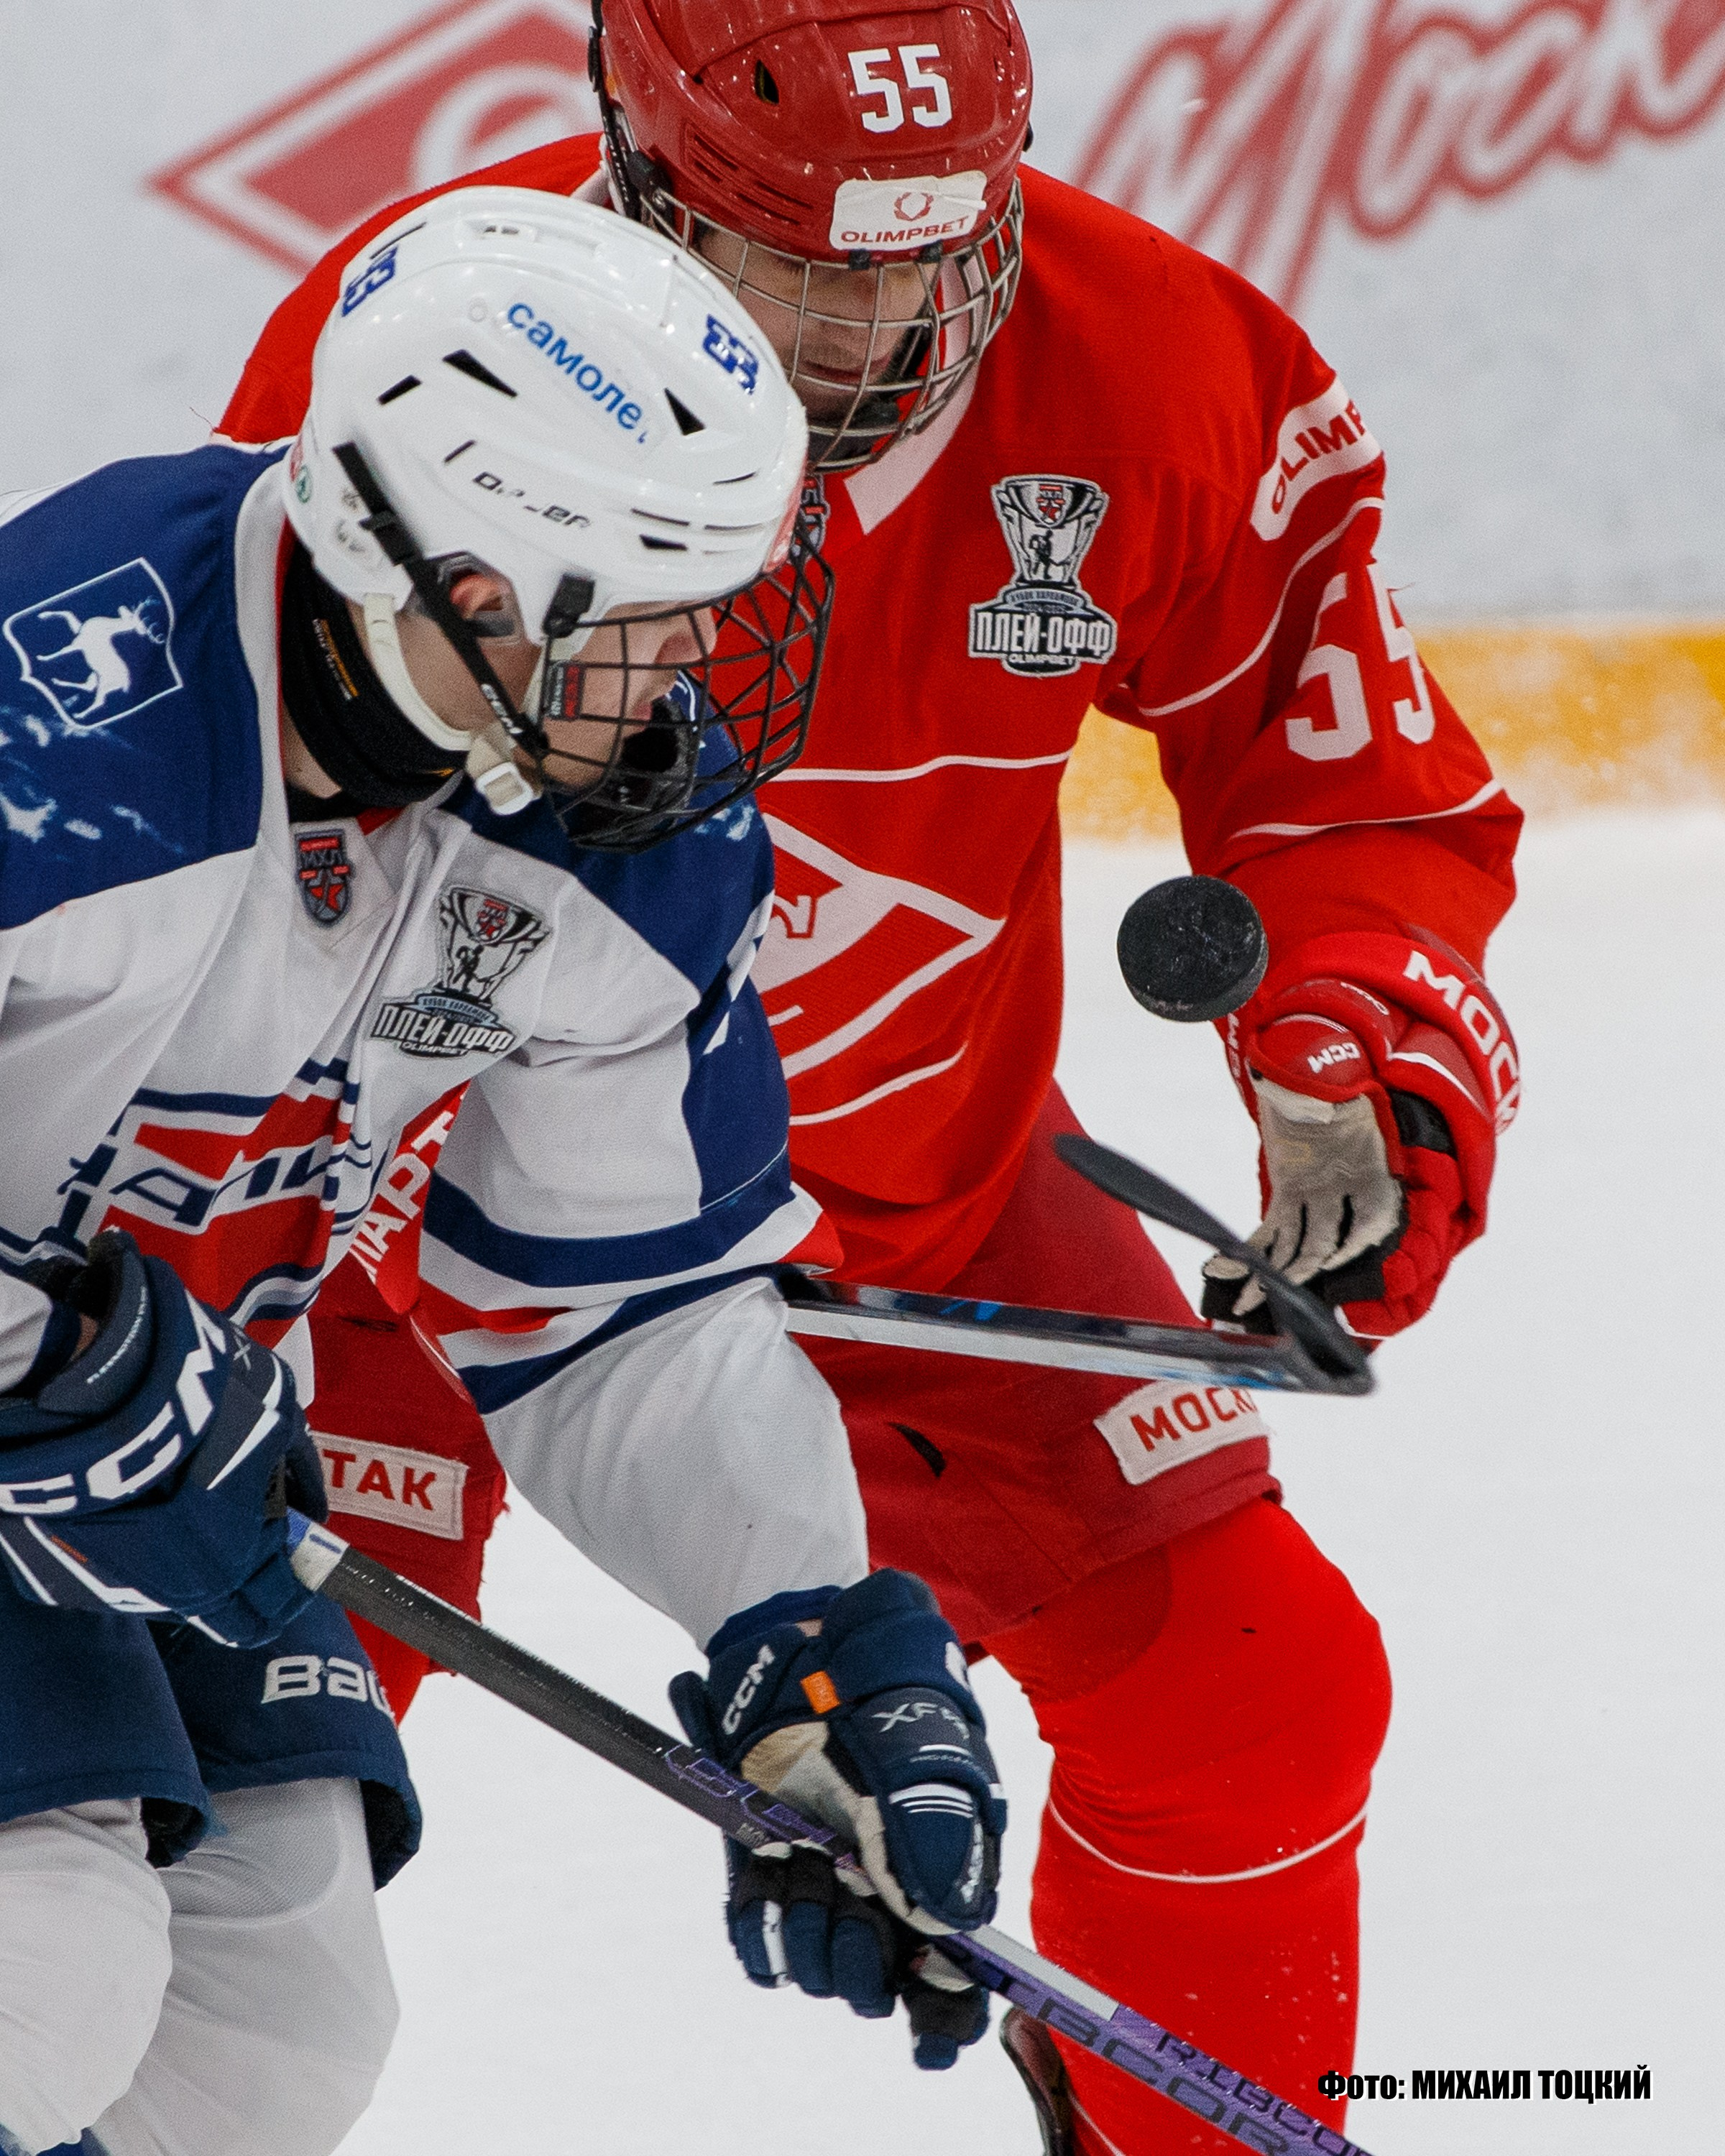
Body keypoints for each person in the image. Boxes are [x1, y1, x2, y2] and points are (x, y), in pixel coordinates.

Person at [221, 4, 1524, 2147]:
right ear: (634, 180)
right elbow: (233, 823)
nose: (879, 327)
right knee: (208, 1754)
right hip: (402, 1230)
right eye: (807, 262)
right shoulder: (432, 344)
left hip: (910, 1200)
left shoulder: (1154, 362)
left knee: (1255, 1696)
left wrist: (1361, 1037)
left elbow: (1340, 773)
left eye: (936, 252)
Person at [0, 188, 1008, 2156]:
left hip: (162, 1465)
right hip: (58, 1432)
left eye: (707, 606)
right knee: (41, 1966)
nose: (688, 676)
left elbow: (621, 1307)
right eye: (631, 614)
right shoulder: (59, 719)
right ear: (426, 558)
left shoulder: (597, 823)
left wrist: (803, 1635)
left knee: (269, 2030)